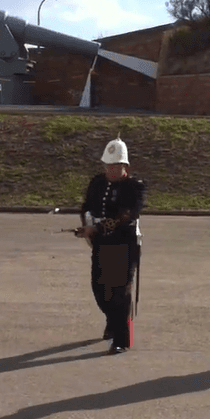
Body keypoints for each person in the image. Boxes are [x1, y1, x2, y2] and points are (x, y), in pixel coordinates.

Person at [75, 136, 146, 355]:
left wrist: (97, 228)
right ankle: (112, 320)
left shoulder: (135, 187)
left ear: (125, 166)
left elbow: (125, 216)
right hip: (101, 244)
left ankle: (120, 338)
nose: (111, 170)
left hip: (124, 244)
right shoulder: (97, 182)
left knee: (119, 293)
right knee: (100, 289)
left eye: (116, 166)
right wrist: (85, 225)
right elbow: (87, 206)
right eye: (108, 165)